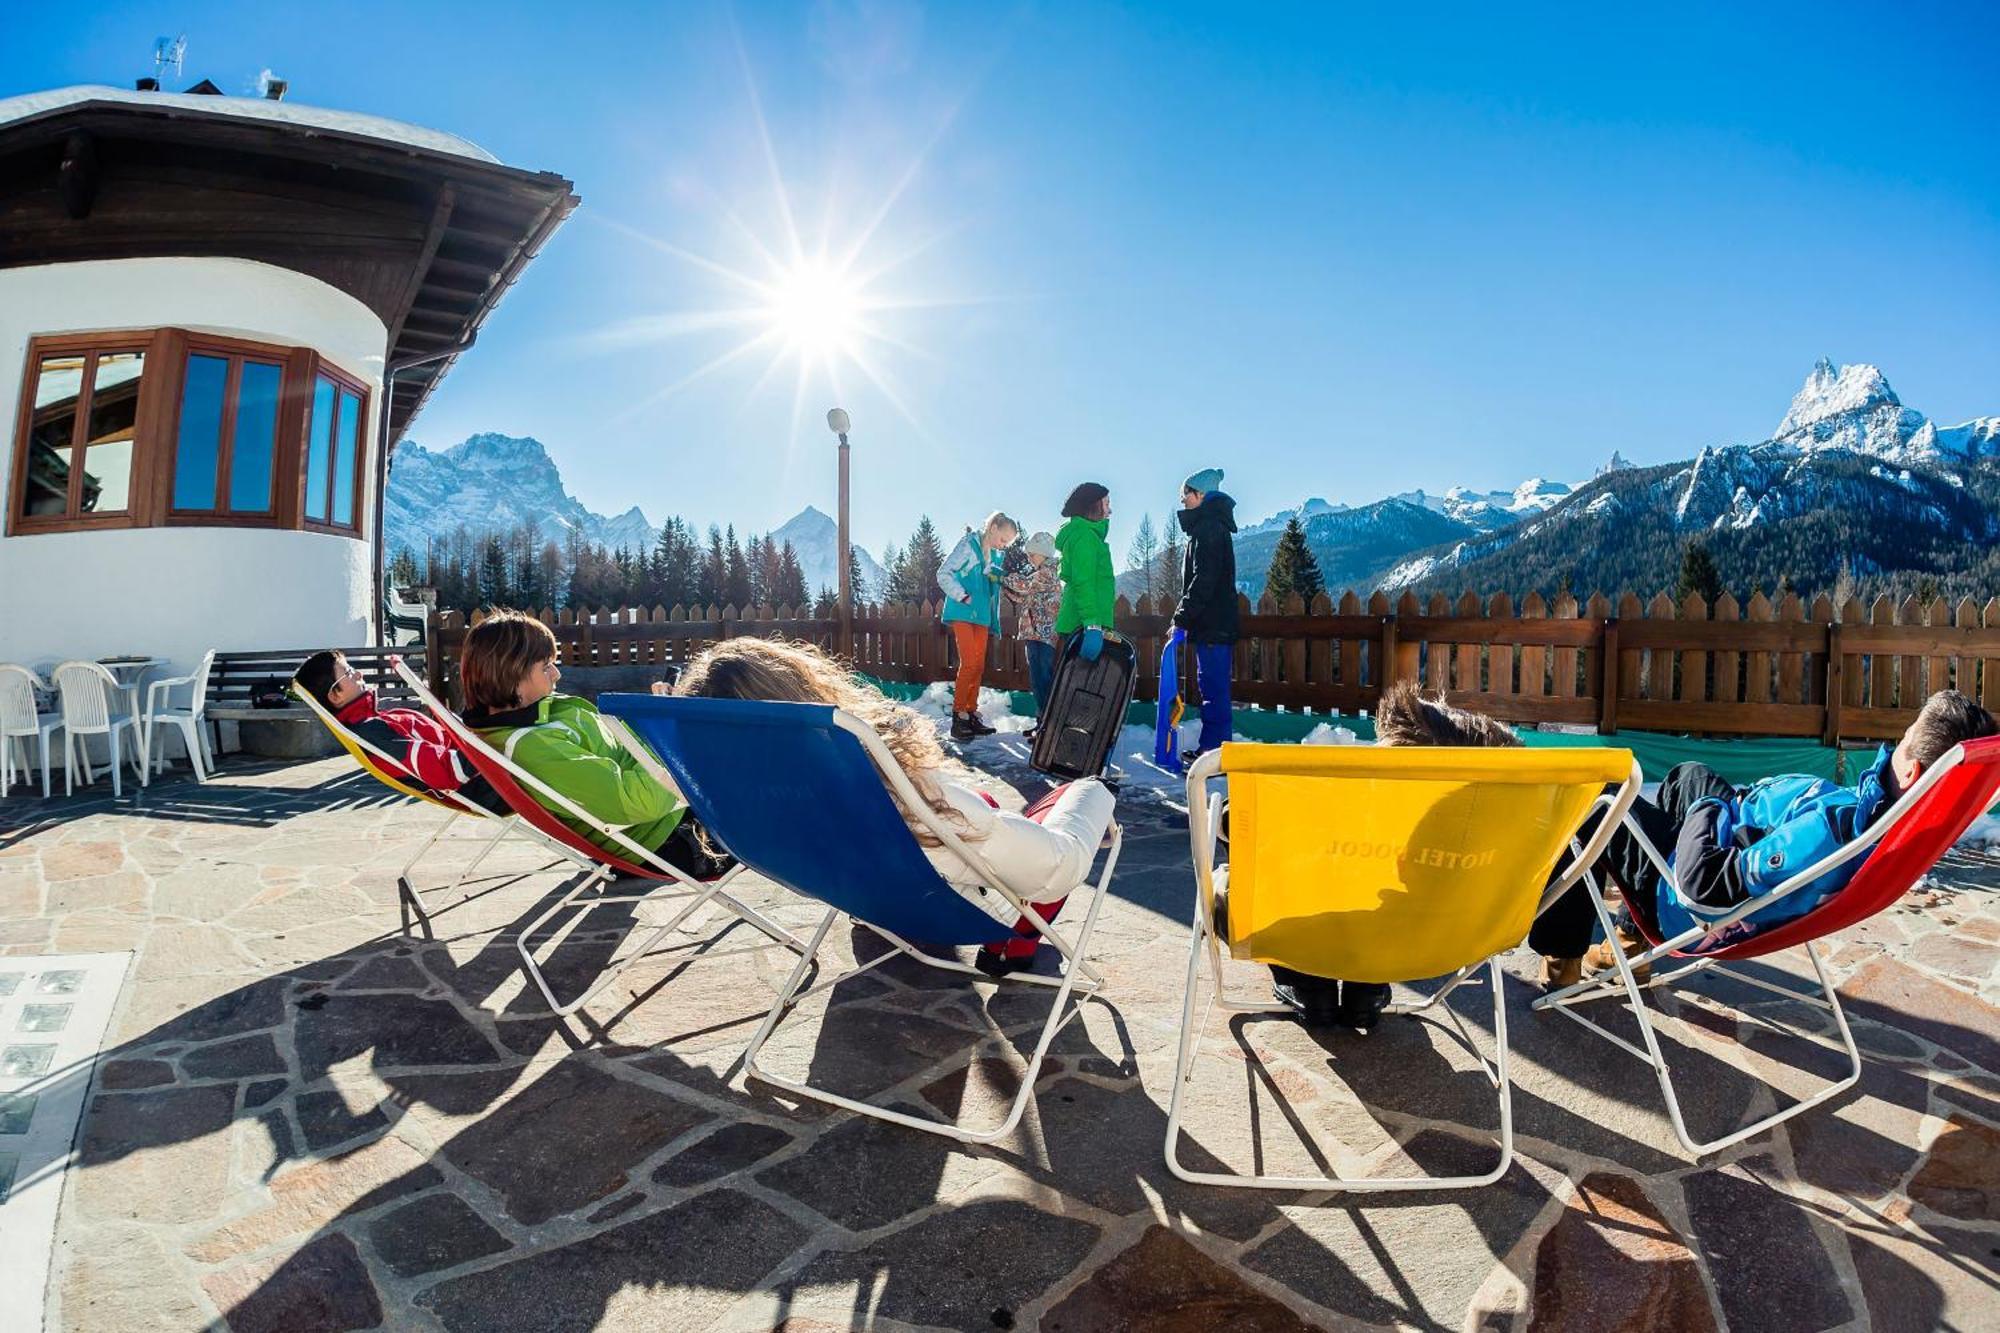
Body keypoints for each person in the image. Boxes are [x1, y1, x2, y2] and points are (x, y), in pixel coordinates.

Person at [674, 636, 1117, 977]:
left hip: (870, 896)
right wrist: (1092, 793)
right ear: (801, 690)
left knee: (979, 814)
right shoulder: (899, 791)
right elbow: (1053, 869)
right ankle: (1020, 936)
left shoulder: (760, 799)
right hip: (971, 906)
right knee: (1082, 794)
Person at [1533, 687, 1998, 988]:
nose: (1895, 742)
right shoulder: (1884, 834)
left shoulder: (1829, 834)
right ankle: (1629, 942)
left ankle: (1563, 958)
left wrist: (1710, 806)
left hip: (1678, 901)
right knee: (1686, 775)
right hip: (1735, 845)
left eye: (1904, 736)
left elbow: (1704, 888)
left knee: (1594, 795)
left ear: (1913, 771)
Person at [1271, 681, 1524, 1029]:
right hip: (1431, 938)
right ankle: (1368, 984)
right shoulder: (1490, 824)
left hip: (1314, 932)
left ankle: (1309, 985)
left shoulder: (1348, 815)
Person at [457, 609, 731, 878]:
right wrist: (668, 732)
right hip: (673, 840)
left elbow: (618, 751)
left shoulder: (542, 715)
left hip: (680, 811)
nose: (556, 675)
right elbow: (642, 801)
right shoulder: (532, 747)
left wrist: (654, 714)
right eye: (546, 666)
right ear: (512, 677)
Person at [293, 650, 502, 813]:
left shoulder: (376, 721)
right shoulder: (373, 733)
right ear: (335, 696)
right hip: (488, 784)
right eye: (348, 673)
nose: (359, 674)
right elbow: (449, 771)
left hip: (486, 768)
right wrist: (494, 742)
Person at [1172, 467, 1239, 762]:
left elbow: (1204, 579)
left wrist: (1182, 616)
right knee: (1210, 687)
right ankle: (1211, 749)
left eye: (1186, 494)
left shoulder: (1209, 529)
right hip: (1213, 625)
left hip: (1213, 625)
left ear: (1201, 495)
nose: (1183, 500)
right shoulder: (1208, 526)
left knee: (1213, 690)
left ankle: (1215, 754)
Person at [938, 511, 1021, 741]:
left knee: (978, 665)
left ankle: (971, 712)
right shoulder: (967, 545)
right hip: (963, 611)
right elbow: (943, 574)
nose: (1003, 545)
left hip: (982, 615)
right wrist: (961, 595)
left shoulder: (994, 556)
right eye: (1003, 539)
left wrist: (995, 579)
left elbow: (991, 586)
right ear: (993, 527)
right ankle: (959, 716)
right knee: (969, 663)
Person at [1002, 530, 1064, 726]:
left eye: (1032, 554)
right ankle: (1043, 718)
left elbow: (1024, 584)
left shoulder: (1047, 573)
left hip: (1044, 635)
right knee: (1037, 677)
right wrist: (1004, 588)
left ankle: (1049, 718)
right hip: (1035, 634)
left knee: (1043, 677)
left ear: (1044, 554)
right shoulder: (1039, 576)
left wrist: (1003, 576)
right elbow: (1023, 595)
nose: (1029, 558)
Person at [1055, 482, 1116, 662]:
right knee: (1078, 686)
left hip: (1085, 625)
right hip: (1082, 626)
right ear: (1093, 506)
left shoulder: (1089, 536)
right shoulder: (1084, 537)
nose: (1109, 511)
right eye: (1106, 504)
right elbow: (1084, 582)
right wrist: (1092, 625)